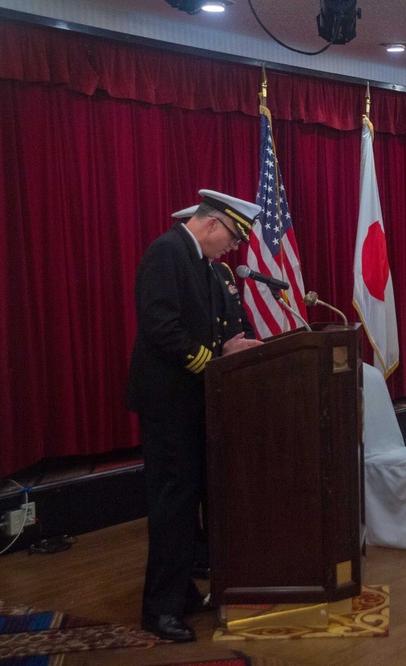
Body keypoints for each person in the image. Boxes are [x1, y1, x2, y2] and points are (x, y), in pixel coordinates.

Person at [126, 190, 263, 642]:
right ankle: (159, 609)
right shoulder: (167, 252)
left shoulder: (203, 263)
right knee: (173, 507)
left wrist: (227, 350)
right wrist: (212, 361)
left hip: (193, 403)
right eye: (230, 238)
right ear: (210, 224)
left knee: (189, 505)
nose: (231, 248)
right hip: (168, 404)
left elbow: (211, 326)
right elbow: (160, 324)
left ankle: (181, 591)